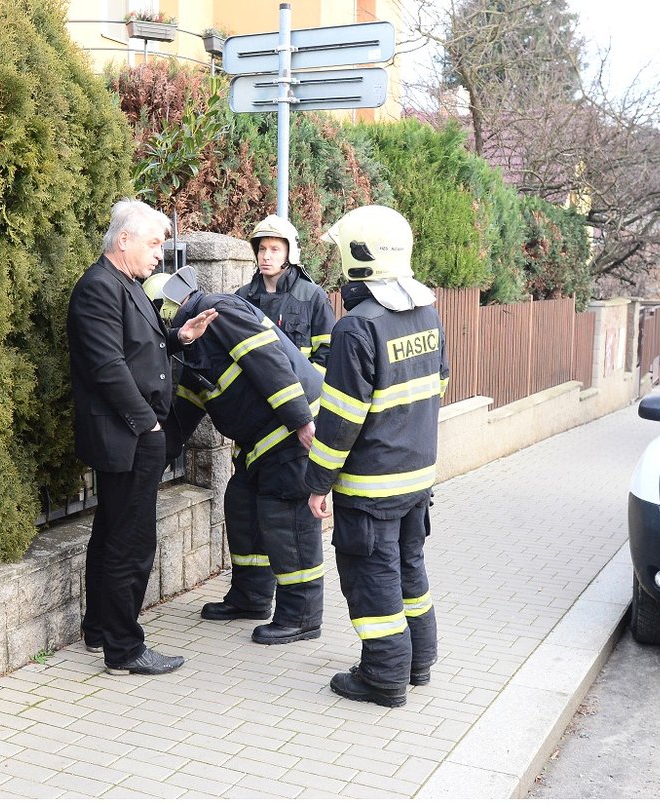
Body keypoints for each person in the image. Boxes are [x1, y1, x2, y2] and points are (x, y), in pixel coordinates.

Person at [305, 205, 450, 708]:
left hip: (370, 487)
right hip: (417, 478)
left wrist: (318, 482)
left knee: (373, 579)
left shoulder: (356, 327)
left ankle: (384, 678)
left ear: (357, 257)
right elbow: (439, 387)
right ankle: (418, 663)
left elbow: (340, 418)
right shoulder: (428, 313)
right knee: (410, 568)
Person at [67, 198, 216, 675]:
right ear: (123, 240)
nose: (159, 255)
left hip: (131, 433)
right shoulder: (98, 288)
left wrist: (180, 337)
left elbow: (138, 349)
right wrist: (147, 424)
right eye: (154, 244)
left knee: (112, 531)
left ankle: (98, 630)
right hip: (128, 435)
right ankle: (125, 649)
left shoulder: (122, 284)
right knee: (130, 541)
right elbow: (107, 367)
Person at [145, 267, 325, 645]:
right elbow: (183, 415)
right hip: (260, 443)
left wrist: (301, 421)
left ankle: (302, 616)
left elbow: (269, 362)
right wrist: (146, 468)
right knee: (242, 504)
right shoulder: (194, 347)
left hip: (292, 432)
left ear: (166, 310)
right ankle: (251, 598)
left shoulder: (218, 312)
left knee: (287, 517)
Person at [236, 215, 336, 374]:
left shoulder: (312, 297)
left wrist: (307, 384)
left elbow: (328, 352)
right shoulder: (242, 297)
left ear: (290, 253)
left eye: (275, 249)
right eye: (262, 249)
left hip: (299, 394)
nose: (266, 256)